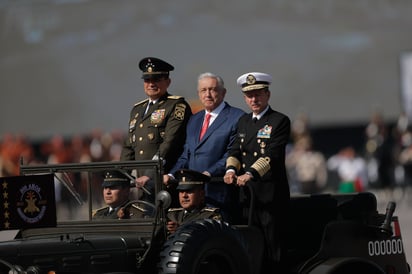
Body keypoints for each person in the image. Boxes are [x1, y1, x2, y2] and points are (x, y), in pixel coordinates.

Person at [223, 72, 291, 271]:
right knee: (250, 247)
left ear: (267, 95)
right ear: (244, 98)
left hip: (270, 196)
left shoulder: (279, 120)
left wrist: (250, 173)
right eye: (249, 96)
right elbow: (235, 149)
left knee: (273, 249)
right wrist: (230, 170)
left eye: (258, 94)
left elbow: (273, 154)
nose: (254, 99)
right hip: (247, 197)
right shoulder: (243, 121)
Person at [164, 72, 245, 222]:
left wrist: (210, 173)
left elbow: (232, 153)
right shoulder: (194, 119)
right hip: (194, 197)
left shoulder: (237, 117)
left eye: (212, 89)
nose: (208, 94)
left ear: (223, 92)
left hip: (219, 193)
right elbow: (186, 154)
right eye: (203, 90)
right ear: (198, 93)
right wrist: (171, 174)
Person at [120, 57, 192, 205]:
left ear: (168, 82)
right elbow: (129, 147)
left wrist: (150, 174)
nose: (151, 84)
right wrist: (121, 178)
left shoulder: (176, 105)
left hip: (164, 182)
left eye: (157, 79)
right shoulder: (137, 110)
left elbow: (169, 142)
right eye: (147, 80)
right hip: (142, 185)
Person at [166, 169, 222, 234]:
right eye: (181, 191)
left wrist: (180, 229)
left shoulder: (210, 216)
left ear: (201, 194)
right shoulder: (172, 215)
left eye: (189, 191)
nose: (184, 195)